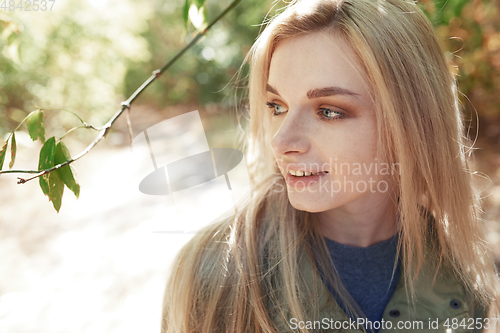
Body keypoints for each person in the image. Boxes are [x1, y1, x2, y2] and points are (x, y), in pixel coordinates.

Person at [161, 0, 500, 332]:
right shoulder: (214, 275)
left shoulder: (464, 273)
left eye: (328, 111)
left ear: (412, 121)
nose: (281, 142)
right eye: (276, 106)